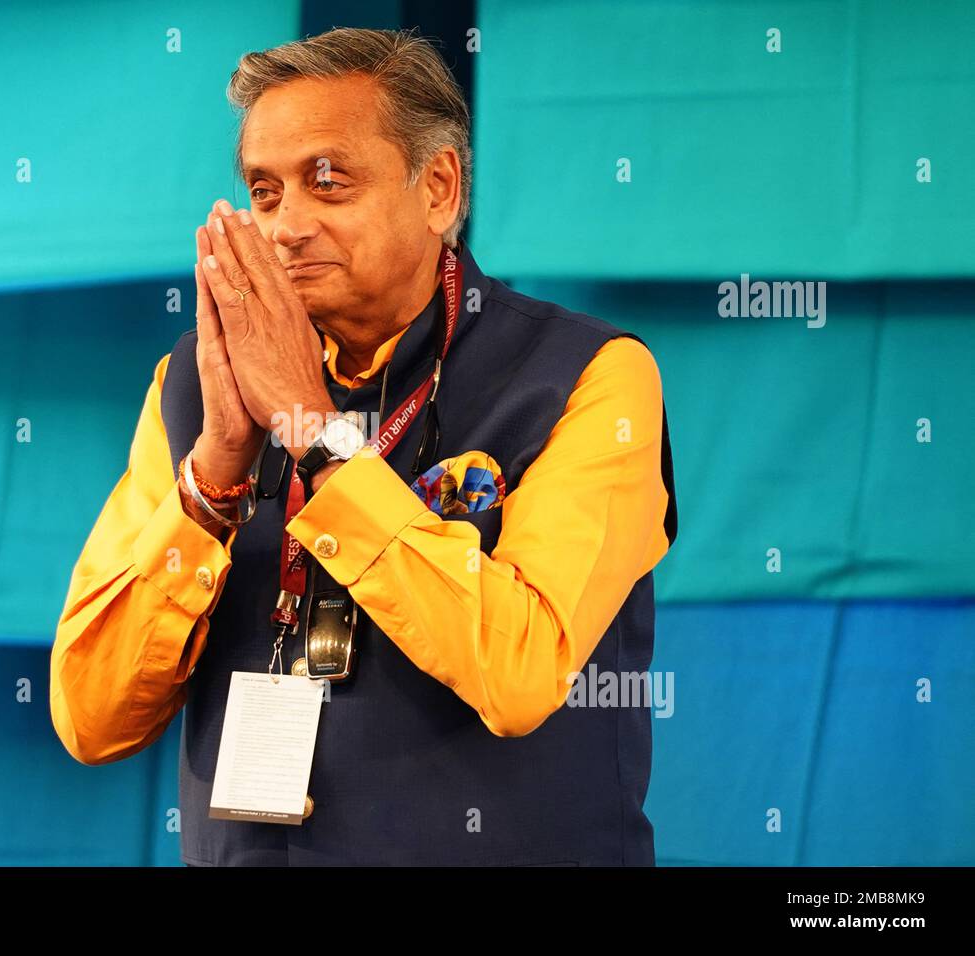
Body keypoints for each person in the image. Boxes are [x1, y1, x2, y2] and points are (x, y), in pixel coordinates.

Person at [50, 27, 678, 866]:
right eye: (265, 193)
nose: (285, 227)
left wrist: (317, 437)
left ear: (440, 189)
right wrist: (213, 477)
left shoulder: (588, 376)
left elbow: (520, 674)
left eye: (329, 183)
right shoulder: (196, 388)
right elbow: (90, 718)